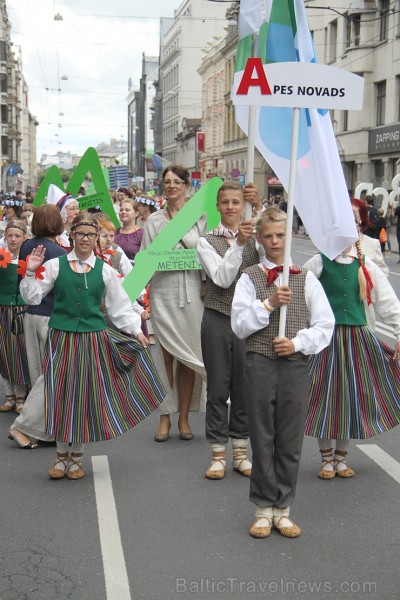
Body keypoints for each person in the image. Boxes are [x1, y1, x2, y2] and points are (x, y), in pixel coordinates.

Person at [20, 212, 165, 479]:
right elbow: (32, 297)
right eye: (80, 233)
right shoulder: (55, 266)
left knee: (84, 396)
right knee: (61, 395)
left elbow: (119, 308)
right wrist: (30, 273)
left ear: (96, 237)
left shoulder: (106, 271)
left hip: (92, 339)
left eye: (90, 234)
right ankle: (61, 456)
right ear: (71, 235)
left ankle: (77, 458)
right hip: (61, 339)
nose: (85, 239)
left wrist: (136, 330)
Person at [231, 208, 334, 538]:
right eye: (269, 236)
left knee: (289, 439)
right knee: (262, 436)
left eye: (280, 235)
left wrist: (298, 343)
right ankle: (263, 508)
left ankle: (283, 508)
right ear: (260, 239)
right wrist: (269, 304)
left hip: (293, 366)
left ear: (288, 237)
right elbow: (239, 326)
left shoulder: (306, 279)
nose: (275, 241)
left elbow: (324, 324)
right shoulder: (250, 277)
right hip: (259, 364)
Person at [304, 237, 400, 480]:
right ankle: (326, 457)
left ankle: (341, 456)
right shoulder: (319, 262)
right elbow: (297, 291)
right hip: (326, 339)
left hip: (357, 340)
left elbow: (388, 302)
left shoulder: (365, 264)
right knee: (325, 395)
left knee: (349, 396)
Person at [197, 181, 260, 480]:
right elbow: (222, 279)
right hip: (218, 319)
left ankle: (240, 452)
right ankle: (217, 454)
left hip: (249, 321)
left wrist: (259, 208)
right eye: (226, 202)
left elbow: (277, 252)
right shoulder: (206, 240)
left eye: (237, 202)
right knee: (218, 389)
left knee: (244, 388)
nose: (232, 207)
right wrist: (238, 244)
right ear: (218, 207)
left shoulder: (255, 236)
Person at [141, 165, 207, 442]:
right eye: (167, 182)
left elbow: (206, 253)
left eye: (176, 182)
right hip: (163, 292)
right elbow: (145, 258)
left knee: (188, 358)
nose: (171, 186)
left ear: (186, 185)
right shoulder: (154, 220)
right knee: (165, 358)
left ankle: (184, 417)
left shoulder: (201, 217)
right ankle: (165, 416)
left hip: (192, 292)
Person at [8, 205, 67, 448]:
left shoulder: (26, 246)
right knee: (51, 375)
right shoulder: (59, 251)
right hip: (51, 315)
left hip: (30, 312)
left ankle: (45, 429)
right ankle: (24, 426)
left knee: (38, 373)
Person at [0, 220, 30, 413]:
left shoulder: (29, 258)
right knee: (4, 353)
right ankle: (9, 396)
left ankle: (21, 397)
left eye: (17, 236)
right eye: (10, 235)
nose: (13, 239)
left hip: (21, 310)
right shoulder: (1, 257)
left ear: (25, 238)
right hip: (3, 308)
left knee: (20, 353)